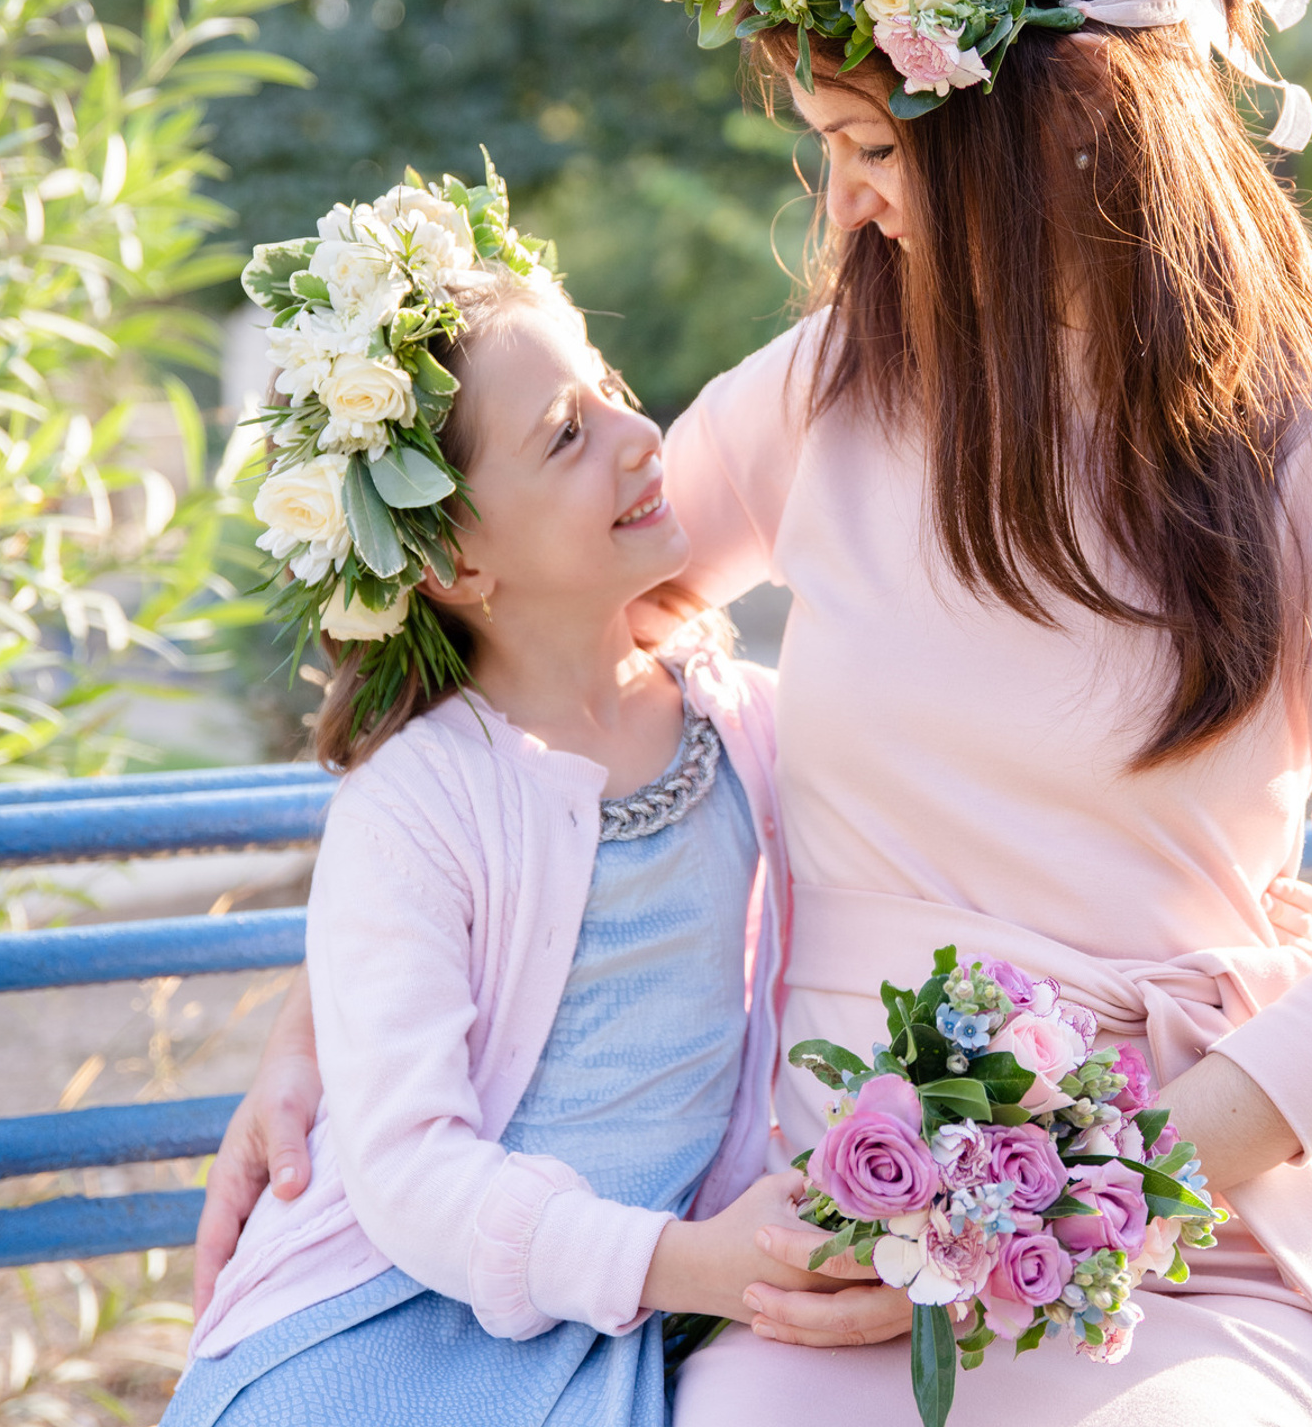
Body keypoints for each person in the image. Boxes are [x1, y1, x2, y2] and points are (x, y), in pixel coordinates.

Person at [198, 0, 1312, 1426]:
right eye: (832, 145)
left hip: (1173, 1220)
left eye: (879, 149)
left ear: (1063, 134)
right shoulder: (827, 400)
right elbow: (549, 627)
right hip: (826, 1235)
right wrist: (335, 1019)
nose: (849, 200)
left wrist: (1052, 1204)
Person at [164, 241, 868, 1427]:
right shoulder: (418, 801)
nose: (642, 436)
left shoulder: (748, 726)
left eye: (610, 388)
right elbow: (409, 1173)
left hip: (612, 1328)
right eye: (564, 434)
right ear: (449, 559)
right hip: (378, 1317)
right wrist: (689, 1267)